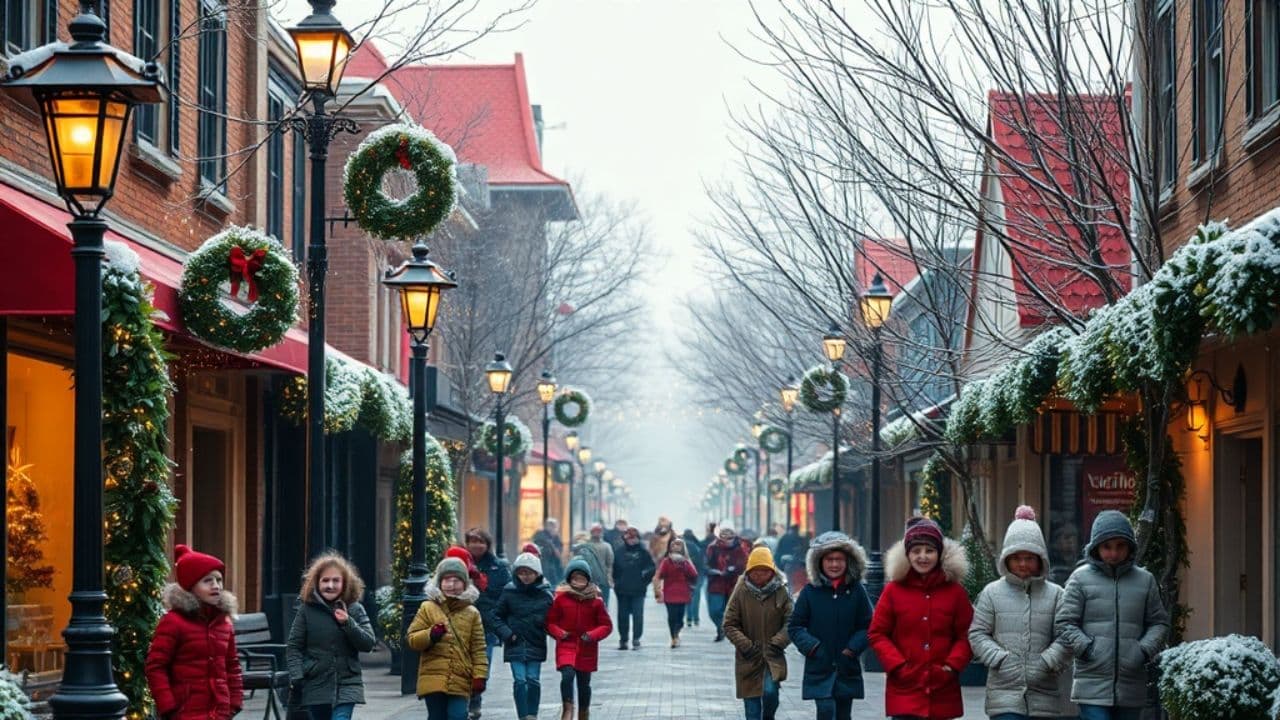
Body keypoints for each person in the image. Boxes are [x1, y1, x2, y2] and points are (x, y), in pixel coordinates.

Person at [1055, 511, 1169, 720]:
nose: (1114, 553)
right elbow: (1065, 622)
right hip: (1091, 683)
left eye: (1120, 546)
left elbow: (1159, 623)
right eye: (1107, 546)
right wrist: (1087, 648)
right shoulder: (1080, 579)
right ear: (1096, 547)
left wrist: (1142, 650)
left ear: (1129, 547)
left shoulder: (1145, 580)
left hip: (1131, 683)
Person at [970, 505, 1074, 720]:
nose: (1023, 564)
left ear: (1040, 559)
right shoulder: (991, 593)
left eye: (1030, 558)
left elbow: (1067, 635)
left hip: (1044, 694)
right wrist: (1000, 658)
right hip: (1004, 694)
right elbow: (978, 633)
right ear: (1007, 559)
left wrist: (1047, 661)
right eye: (1017, 558)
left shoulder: (1056, 595)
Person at [869, 517, 974, 720]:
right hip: (904, 689)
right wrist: (898, 665)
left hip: (942, 689)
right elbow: (877, 633)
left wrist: (951, 666)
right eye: (916, 551)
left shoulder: (955, 592)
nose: (923, 557)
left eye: (929, 551)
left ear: (940, 554)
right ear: (907, 555)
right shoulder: (893, 590)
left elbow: (967, 634)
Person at [145, 544, 243, 720]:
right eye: (208, 581)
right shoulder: (173, 622)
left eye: (219, 580)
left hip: (220, 713)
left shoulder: (224, 623)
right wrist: (168, 707)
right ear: (191, 586)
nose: (216, 586)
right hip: (185, 712)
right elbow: (156, 666)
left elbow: (232, 666)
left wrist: (234, 704)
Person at [788, 532, 873, 720]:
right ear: (820, 562)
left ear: (848, 561)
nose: (834, 564)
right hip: (820, 664)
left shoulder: (857, 591)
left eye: (839, 559)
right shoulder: (810, 592)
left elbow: (868, 625)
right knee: (825, 710)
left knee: (843, 714)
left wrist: (853, 648)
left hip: (846, 665)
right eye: (829, 559)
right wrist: (813, 647)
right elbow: (795, 627)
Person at [285, 551, 377, 720]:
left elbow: (368, 643)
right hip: (315, 684)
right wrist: (297, 676)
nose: (330, 585)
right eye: (325, 580)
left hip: (347, 684)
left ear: (345, 583)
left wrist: (348, 623)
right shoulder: (306, 611)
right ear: (316, 582)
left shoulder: (355, 609)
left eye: (336, 580)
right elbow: (294, 646)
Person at [407, 556, 489, 720]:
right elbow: (412, 639)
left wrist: (480, 675)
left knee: (458, 715)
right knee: (436, 716)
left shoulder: (472, 613)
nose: (451, 585)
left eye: (457, 580)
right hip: (433, 676)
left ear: (465, 584)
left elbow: (478, 648)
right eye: (446, 580)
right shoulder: (427, 608)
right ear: (439, 582)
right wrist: (430, 635)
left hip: (460, 676)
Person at [725, 546, 792, 720]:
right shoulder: (741, 591)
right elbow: (729, 623)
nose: (759, 575)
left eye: (764, 571)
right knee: (752, 707)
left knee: (770, 693)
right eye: (755, 571)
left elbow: (792, 621)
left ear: (772, 571)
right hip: (748, 657)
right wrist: (745, 645)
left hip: (772, 654)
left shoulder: (781, 591)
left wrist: (778, 642)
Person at [546, 558, 613, 720]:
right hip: (566, 644)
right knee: (567, 675)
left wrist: (592, 635)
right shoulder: (560, 599)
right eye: (575, 578)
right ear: (569, 579)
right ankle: (567, 708)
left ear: (588, 579)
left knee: (584, 683)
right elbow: (550, 622)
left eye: (582, 578)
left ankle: (584, 711)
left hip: (587, 647)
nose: (579, 582)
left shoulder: (596, 601)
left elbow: (606, 625)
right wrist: (560, 633)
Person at [492, 552, 554, 720]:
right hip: (515, 642)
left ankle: (532, 714)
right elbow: (496, 616)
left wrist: (552, 630)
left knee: (533, 679)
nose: (525, 576)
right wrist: (507, 634)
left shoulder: (545, 594)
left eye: (530, 572)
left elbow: (554, 618)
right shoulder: (509, 591)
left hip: (535, 642)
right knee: (520, 680)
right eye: (522, 572)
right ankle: (523, 715)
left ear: (537, 573)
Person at [463, 530, 510, 720]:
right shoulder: (459, 564)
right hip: (463, 623)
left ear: (487, 544)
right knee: (463, 664)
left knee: (483, 665)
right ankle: (464, 699)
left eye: (480, 541)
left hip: (486, 624)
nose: (476, 545)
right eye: (472, 541)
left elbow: (502, 594)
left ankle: (475, 698)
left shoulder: (497, 567)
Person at [611, 526, 656, 650]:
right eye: (629, 538)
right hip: (622, 590)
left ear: (638, 539)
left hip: (638, 590)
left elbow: (652, 568)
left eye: (634, 538)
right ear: (625, 538)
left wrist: (644, 579)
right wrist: (617, 582)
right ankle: (623, 639)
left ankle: (636, 638)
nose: (631, 540)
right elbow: (614, 569)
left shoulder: (643, 552)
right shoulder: (619, 552)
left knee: (638, 615)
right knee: (622, 616)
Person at [706, 522, 749, 641]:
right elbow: (706, 564)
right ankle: (721, 627)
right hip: (716, 583)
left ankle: (725, 630)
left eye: (729, 531)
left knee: (731, 610)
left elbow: (745, 563)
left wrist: (733, 569)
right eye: (724, 532)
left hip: (734, 583)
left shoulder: (741, 546)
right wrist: (712, 571)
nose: (727, 534)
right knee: (714, 610)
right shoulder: (713, 547)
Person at [654, 535, 699, 647]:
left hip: (682, 592)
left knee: (680, 617)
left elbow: (694, 574)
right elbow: (660, 575)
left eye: (678, 545)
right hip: (670, 592)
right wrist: (658, 590)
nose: (675, 547)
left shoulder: (686, 561)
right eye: (674, 545)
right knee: (671, 616)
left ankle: (677, 633)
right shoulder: (667, 561)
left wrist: (685, 564)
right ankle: (674, 637)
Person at [681, 528, 707, 627]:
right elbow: (703, 561)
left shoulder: (681, 545)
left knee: (687, 596)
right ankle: (696, 618)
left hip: (685, 574)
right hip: (698, 574)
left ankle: (688, 618)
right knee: (696, 596)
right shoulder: (698, 545)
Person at [586, 523, 616, 609]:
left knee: (603, 604)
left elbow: (610, 564)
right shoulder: (586, 546)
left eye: (598, 531)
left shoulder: (607, 546)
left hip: (603, 581)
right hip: (589, 580)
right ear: (591, 532)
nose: (596, 533)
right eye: (594, 531)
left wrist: (609, 578)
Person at [533, 518, 565, 586]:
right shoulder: (540, 535)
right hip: (543, 564)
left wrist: (556, 551)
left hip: (554, 565)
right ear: (546, 526)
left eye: (554, 526)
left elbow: (559, 551)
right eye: (551, 526)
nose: (553, 528)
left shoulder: (556, 537)